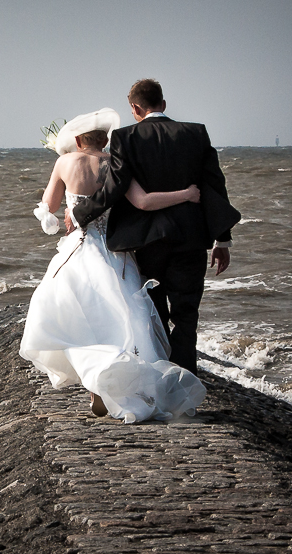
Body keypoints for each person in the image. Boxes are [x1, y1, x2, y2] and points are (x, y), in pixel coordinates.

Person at [20, 108, 207, 422]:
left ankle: (97, 380)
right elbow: (144, 202)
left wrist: (52, 217)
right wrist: (186, 194)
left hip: (79, 250)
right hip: (117, 255)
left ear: (77, 139)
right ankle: (118, 382)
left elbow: (49, 209)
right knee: (125, 321)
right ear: (105, 138)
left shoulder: (65, 162)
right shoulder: (117, 164)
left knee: (79, 318)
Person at [67, 79, 237, 375]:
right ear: (164, 104)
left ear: (135, 108)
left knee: (154, 314)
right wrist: (222, 240)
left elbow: (115, 187)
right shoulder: (196, 133)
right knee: (186, 316)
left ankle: (160, 380)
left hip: (148, 243)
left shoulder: (125, 138)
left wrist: (79, 213)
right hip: (191, 239)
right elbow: (215, 186)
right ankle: (185, 388)